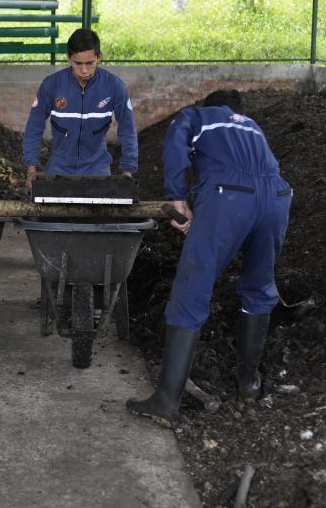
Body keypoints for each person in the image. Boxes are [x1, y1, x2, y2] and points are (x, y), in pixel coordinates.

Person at [126, 89, 293, 428]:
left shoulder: (200, 116)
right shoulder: (253, 128)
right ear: (241, 111)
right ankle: (249, 383)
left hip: (230, 197)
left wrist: (178, 197)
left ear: (211, 105)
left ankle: (166, 400)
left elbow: (175, 142)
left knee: (192, 287)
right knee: (259, 288)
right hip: (277, 196)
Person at [22, 28, 138, 188]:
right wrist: (31, 167)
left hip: (97, 167)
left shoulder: (114, 86)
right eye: (78, 63)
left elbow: (127, 128)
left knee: (101, 212)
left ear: (99, 57)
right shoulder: (51, 85)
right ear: (69, 58)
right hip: (59, 166)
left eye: (90, 63)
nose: (84, 70)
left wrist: (127, 170)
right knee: (50, 211)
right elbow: (34, 126)